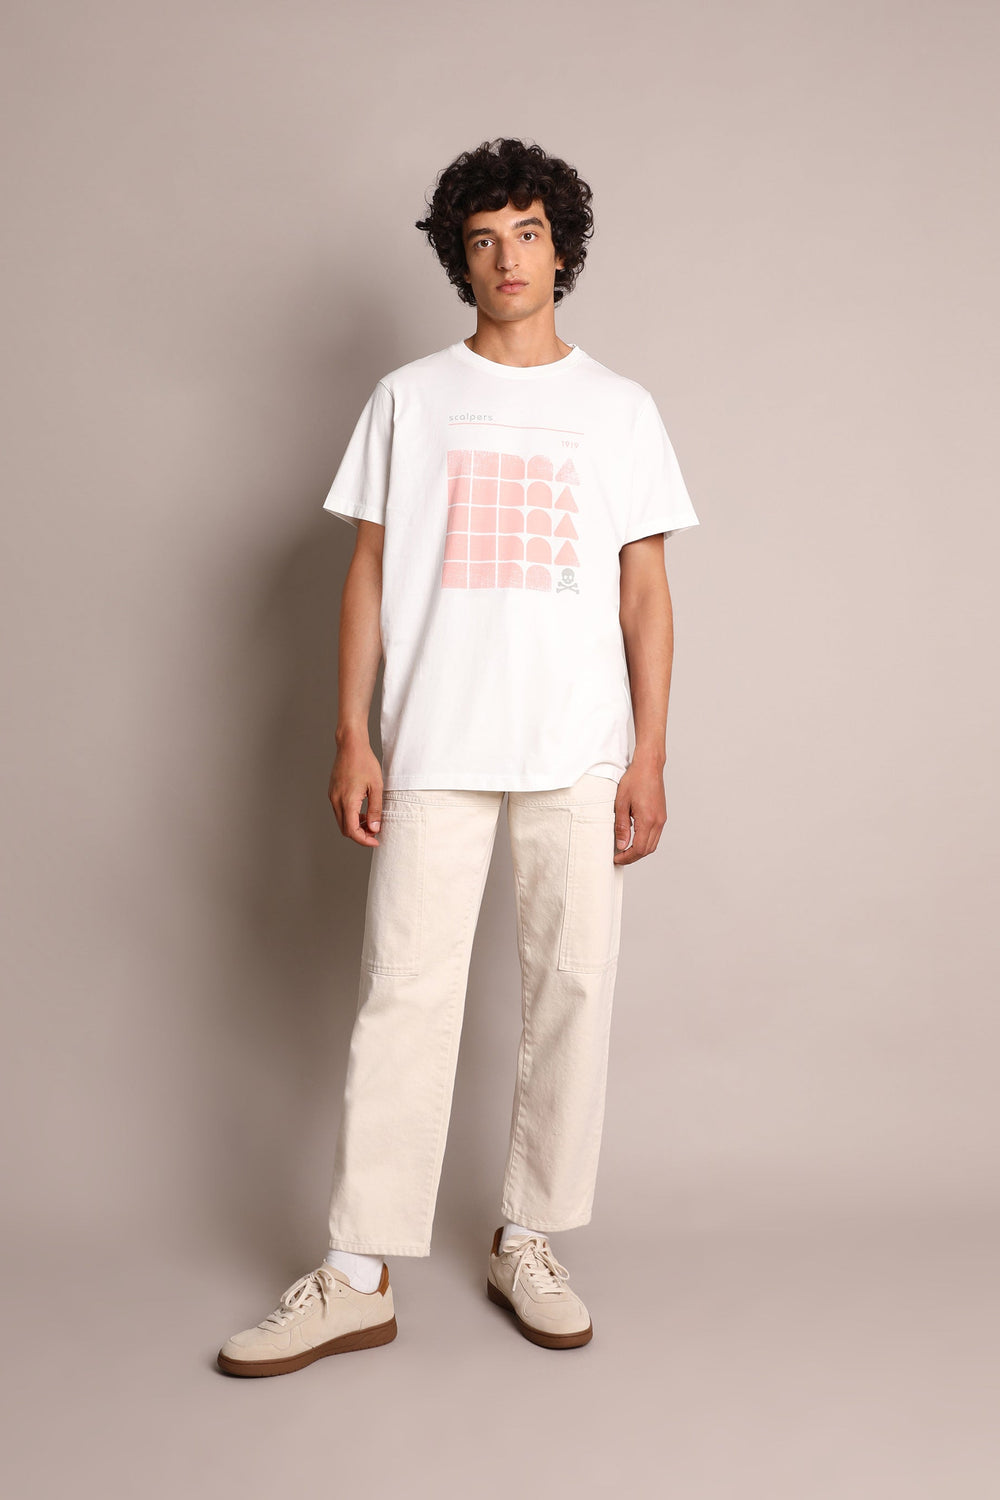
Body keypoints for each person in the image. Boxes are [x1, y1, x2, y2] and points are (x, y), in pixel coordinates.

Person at [217, 137, 699, 1377]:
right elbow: (369, 570)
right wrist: (353, 733)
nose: (507, 259)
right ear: (459, 259)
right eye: (482, 240)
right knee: (404, 992)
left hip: (578, 746)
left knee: (572, 987)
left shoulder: (620, 409)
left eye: (527, 233)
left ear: (561, 247)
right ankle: (357, 1271)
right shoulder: (410, 398)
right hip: (435, 739)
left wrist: (648, 755)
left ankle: (527, 1237)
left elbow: (645, 592)